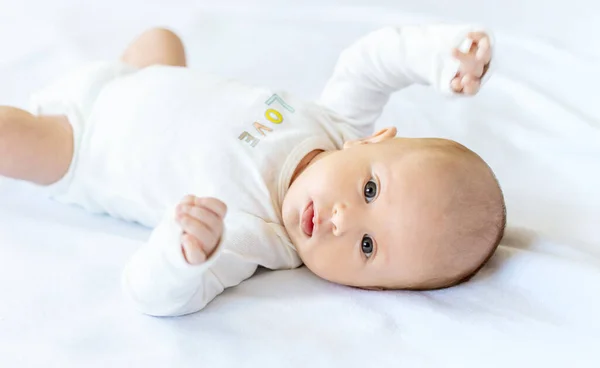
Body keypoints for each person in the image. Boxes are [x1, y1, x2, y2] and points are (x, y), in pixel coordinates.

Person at [0, 25, 505, 316]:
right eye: (370, 189)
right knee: (162, 35)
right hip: (141, 76)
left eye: (367, 247)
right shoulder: (336, 123)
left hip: (79, 144)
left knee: (12, 137)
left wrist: (184, 256)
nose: (342, 220)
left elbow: (150, 295)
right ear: (373, 139)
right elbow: (371, 62)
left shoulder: (252, 234)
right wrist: (440, 58)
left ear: (371, 289)